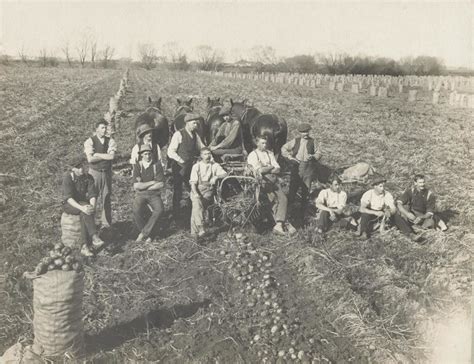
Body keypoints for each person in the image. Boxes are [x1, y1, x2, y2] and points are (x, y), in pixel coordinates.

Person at [247, 135, 296, 235]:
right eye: (262, 143)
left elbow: (278, 169)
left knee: (283, 198)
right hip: (262, 182)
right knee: (273, 199)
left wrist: (266, 168)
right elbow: (258, 171)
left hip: (273, 180)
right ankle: (284, 223)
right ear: (257, 143)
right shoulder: (253, 155)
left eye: (266, 143)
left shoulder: (270, 153)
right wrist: (270, 167)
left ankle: (279, 225)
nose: (265, 145)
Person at [62, 156, 105, 257]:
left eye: (83, 166)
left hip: (82, 203)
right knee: (84, 211)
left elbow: (92, 194)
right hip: (70, 204)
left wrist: (92, 207)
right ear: (72, 168)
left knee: (86, 210)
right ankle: (92, 238)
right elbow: (68, 198)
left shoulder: (88, 177)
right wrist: (83, 208)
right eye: (78, 167)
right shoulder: (68, 177)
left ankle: (85, 246)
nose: (82, 169)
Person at [358, 177, 420, 241]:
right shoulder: (368, 194)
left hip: (382, 212)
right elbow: (362, 209)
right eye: (380, 186)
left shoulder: (387, 194)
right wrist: (375, 212)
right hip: (371, 212)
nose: (383, 188)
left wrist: (389, 212)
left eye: (383, 186)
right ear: (375, 186)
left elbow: (393, 208)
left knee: (396, 215)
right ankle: (363, 233)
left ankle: (410, 233)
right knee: (365, 215)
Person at [167, 113, 206, 216]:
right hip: (179, 167)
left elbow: (201, 146)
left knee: (192, 187)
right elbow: (170, 151)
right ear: (187, 123)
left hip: (190, 166)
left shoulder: (195, 135)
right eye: (194, 123)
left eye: (196, 123)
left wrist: (208, 153)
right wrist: (180, 160)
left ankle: (191, 210)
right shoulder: (178, 134)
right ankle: (176, 212)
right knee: (178, 189)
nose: (196, 125)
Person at [84, 120, 117, 228]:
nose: (105, 130)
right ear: (96, 129)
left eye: (106, 128)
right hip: (94, 173)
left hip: (106, 172)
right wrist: (104, 155)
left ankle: (106, 224)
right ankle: (90, 224)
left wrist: (97, 154)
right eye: (102, 128)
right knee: (92, 197)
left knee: (106, 198)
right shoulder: (90, 141)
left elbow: (111, 157)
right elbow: (90, 159)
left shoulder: (111, 141)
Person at [281, 123, 321, 212]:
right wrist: (290, 157)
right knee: (293, 188)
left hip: (308, 168)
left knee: (306, 190)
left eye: (307, 131)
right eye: (303, 132)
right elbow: (284, 148)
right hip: (297, 167)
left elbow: (319, 153)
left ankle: (304, 211)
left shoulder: (313, 141)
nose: (305, 134)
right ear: (299, 132)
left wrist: (314, 156)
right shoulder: (295, 141)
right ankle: (289, 209)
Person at [189, 147, 228, 238]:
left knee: (197, 207)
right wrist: (195, 193)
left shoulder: (214, 165)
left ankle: (195, 232)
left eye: (209, 154)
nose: (208, 156)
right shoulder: (196, 166)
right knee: (196, 203)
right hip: (197, 189)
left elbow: (225, 174)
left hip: (208, 191)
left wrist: (216, 177)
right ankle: (200, 229)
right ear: (201, 156)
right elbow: (193, 183)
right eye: (205, 154)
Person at [132, 144, 166, 243]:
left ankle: (143, 233)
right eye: (145, 154)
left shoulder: (157, 165)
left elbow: (161, 184)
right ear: (141, 155)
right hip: (141, 194)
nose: (148, 156)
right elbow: (136, 186)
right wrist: (152, 182)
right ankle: (149, 235)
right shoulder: (138, 166)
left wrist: (144, 185)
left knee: (159, 209)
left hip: (153, 194)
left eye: (149, 153)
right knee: (136, 210)